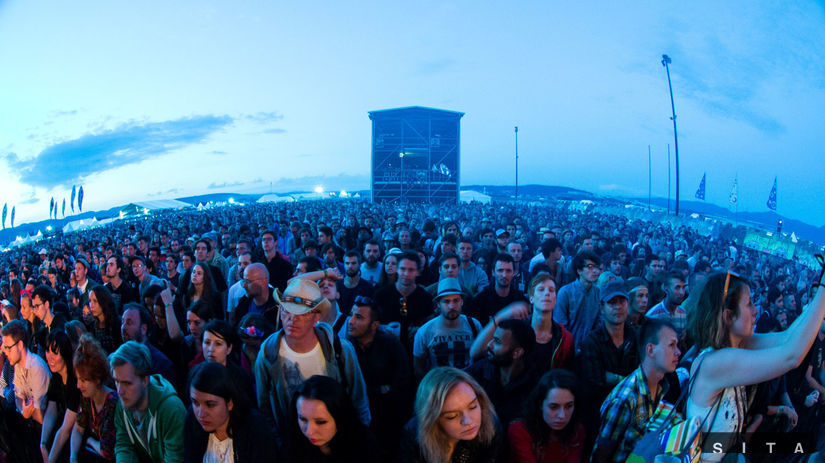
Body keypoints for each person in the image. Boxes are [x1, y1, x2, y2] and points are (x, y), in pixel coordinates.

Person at [685, 271, 825, 461]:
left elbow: (787, 338)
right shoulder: (714, 362)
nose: (756, 310)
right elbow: (791, 356)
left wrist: (818, 296)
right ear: (728, 316)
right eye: (749, 303)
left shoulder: (740, 344)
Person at [255, 278, 370, 434]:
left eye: (302, 313)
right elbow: (264, 406)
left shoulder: (340, 349)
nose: (292, 319)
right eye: (286, 311)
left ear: (316, 317)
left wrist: (361, 435)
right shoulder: (268, 353)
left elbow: (358, 399)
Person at [592, 320, 681, 463]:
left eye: (677, 345)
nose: (678, 352)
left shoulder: (663, 387)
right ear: (650, 350)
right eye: (671, 345)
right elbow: (601, 455)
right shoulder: (625, 398)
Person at [345, 296, 411, 458]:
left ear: (374, 325)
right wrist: (380, 389)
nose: (351, 321)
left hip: (387, 424)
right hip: (355, 423)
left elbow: (403, 386)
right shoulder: (345, 346)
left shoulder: (391, 346)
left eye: (358, 317)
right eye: (351, 315)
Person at [399, 367, 503, 463]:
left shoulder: (491, 428)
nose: (468, 421)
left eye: (473, 407)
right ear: (433, 419)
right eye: (452, 416)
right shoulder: (415, 436)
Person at [184, 362, 279, 463]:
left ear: (230, 403)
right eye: (195, 402)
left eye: (210, 405)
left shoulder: (255, 428)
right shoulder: (192, 420)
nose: (200, 414)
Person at [111, 341, 186, 463]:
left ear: (145, 380)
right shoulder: (123, 403)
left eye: (127, 383)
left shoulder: (171, 409)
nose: (119, 391)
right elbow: (124, 446)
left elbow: (175, 459)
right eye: (116, 381)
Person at [288, 375, 382, 462]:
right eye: (303, 419)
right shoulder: (293, 447)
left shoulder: (366, 446)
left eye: (320, 422)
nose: (309, 432)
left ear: (340, 417)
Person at [466, 318, 537, 428]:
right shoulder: (479, 371)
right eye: (492, 339)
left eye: (497, 341)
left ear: (517, 353)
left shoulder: (535, 385)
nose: (489, 345)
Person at [508, 369, 586, 463]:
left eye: (569, 406)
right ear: (540, 404)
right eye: (553, 407)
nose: (562, 415)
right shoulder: (519, 430)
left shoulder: (577, 431)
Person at [0, 319, 51, 462]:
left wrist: (27, 410)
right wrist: (25, 410)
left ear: (20, 345)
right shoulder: (18, 366)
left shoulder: (36, 367)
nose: (5, 351)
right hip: (31, 426)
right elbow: (18, 400)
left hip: (44, 431)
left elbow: (41, 415)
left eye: (8, 347)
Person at [414, 278, 482, 379]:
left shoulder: (474, 325)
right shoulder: (425, 332)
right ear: (438, 304)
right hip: (439, 385)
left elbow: (482, 359)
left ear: (462, 302)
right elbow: (418, 368)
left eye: (456, 300)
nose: (452, 306)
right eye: (446, 301)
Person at [70, 335, 119, 463]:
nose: (78, 386)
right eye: (78, 380)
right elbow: (77, 429)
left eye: (84, 380)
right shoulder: (87, 398)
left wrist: (90, 441)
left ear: (97, 379)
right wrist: (73, 456)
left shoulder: (112, 403)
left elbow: (107, 452)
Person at [40, 330, 81, 463]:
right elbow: (51, 411)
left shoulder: (75, 381)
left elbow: (66, 430)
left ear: (65, 353)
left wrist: (50, 459)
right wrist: (43, 443)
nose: (49, 358)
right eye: (48, 351)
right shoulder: (57, 377)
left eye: (55, 353)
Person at [554, 251, 601, 350]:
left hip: (591, 349)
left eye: (596, 267)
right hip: (567, 348)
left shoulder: (599, 293)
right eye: (590, 267)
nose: (595, 271)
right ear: (579, 270)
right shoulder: (565, 293)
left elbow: (600, 324)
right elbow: (560, 326)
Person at [89, 286, 122, 354]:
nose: (91, 305)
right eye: (90, 301)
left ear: (103, 301)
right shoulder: (93, 326)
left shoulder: (117, 324)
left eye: (95, 301)